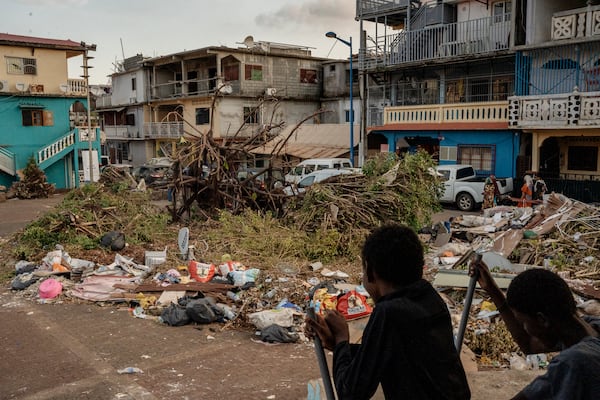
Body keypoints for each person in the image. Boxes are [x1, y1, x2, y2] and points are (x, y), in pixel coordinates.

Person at [305, 223, 471, 399]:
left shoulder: (389, 313)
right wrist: (338, 346)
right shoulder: (428, 296)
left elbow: (350, 392)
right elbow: (383, 354)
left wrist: (341, 338)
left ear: (369, 272)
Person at [470, 263, 600, 400]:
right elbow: (530, 345)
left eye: (524, 322)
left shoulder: (573, 363)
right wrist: (492, 289)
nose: (525, 329)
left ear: (542, 320)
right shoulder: (588, 328)